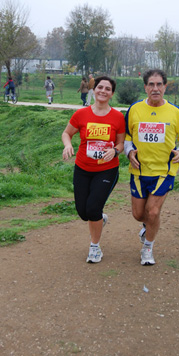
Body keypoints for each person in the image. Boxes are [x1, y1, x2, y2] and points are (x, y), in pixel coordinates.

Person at [124, 69, 179, 266]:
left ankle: (147, 248)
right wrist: (129, 152)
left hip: (164, 171)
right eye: (151, 85)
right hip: (139, 171)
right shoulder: (134, 109)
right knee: (139, 215)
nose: (155, 89)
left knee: (153, 212)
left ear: (165, 86)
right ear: (145, 87)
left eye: (159, 84)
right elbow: (127, 135)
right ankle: (148, 227)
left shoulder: (175, 112)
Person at [62, 76, 125, 263]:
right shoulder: (81, 114)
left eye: (107, 88)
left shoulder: (118, 117)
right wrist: (67, 145)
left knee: (93, 208)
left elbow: (121, 143)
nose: (103, 91)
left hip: (107, 169)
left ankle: (95, 247)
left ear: (112, 93)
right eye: (100, 87)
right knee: (83, 213)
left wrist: (114, 151)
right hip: (82, 168)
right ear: (94, 89)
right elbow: (67, 133)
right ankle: (99, 218)